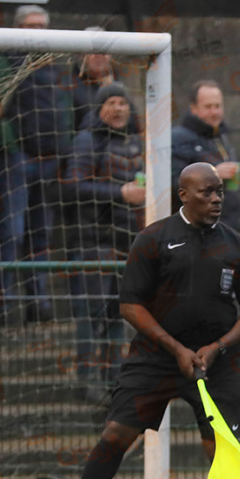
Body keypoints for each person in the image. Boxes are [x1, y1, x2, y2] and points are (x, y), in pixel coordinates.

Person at [40, 163, 240, 479]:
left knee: (223, 446)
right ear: (183, 195)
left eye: (220, 193)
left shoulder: (237, 245)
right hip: (156, 358)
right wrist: (176, 348)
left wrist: (217, 346)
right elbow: (129, 305)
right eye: (206, 192)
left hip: (216, 363)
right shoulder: (153, 239)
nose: (215, 199)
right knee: (115, 435)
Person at [64, 83, 145, 403]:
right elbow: (72, 188)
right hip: (91, 240)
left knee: (117, 312)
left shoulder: (135, 142)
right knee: (91, 313)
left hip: (126, 241)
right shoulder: (86, 141)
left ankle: (113, 377)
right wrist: (119, 193)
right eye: (111, 102)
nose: (119, 108)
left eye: (123, 102)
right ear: (99, 109)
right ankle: (87, 380)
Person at [6, 5, 75, 322]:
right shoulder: (3, 60)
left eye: (41, 26)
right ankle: (6, 306)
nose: (36, 32)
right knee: (11, 234)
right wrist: (13, 146)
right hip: (18, 161)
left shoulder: (56, 66)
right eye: (30, 26)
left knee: (41, 236)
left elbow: (65, 112)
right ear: (18, 28)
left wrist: (62, 151)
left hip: (50, 162)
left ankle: (40, 304)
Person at [170, 81, 240, 232]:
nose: (214, 112)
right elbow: (175, 185)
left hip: (227, 225)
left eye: (218, 106)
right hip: (198, 230)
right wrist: (213, 175)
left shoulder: (221, 136)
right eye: (208, 107)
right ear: (193, 108)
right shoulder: (178, 139)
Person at [71, 27, 118, 132]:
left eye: (104, 50)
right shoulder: (68, 87)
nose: (99, 56)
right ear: (81, 56)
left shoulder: (118, 84)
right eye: (92, 51)